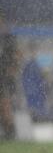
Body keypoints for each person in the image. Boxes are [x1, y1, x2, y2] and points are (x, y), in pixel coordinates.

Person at [0, 11, 19, 140]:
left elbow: (15, 55)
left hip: (4, 76)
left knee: (5, 102)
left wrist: (12, 70)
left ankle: (10, 130)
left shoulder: (8, 39)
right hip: (4, 75)